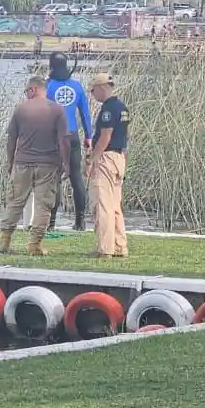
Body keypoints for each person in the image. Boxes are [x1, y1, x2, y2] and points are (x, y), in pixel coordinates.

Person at [0, 76, 70, 255]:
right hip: (48, 164)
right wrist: (66, 163)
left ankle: (5, 240)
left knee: (15, 201)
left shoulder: (20, 109)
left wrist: (10, 162)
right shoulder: (57, 110)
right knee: (43, 205)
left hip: (22, 163)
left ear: (33, 89)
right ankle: (34, 244)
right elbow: (63, 140)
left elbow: (11, 139)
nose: (26, 95)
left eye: (27, 91)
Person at [45, 52, 92, 231]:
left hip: (55, 137)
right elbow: (85, 115)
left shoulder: (48, 87)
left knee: (54, 179)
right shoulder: (77, 87)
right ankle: (80, 222)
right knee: (76, 177)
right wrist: (88, 136)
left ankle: (51, 223)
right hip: (73, 136)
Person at [86, 73, 129, 257]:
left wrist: (92, 159)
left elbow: (105, 137)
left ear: (102, 87)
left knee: (102, 204)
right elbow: (125, 137)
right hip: (119, 157)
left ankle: (105, 248)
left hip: (106, 158)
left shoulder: (108, 109)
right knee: (114, 205)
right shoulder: (122, 108)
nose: (92, 94)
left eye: (93, 90)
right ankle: (120, 246)